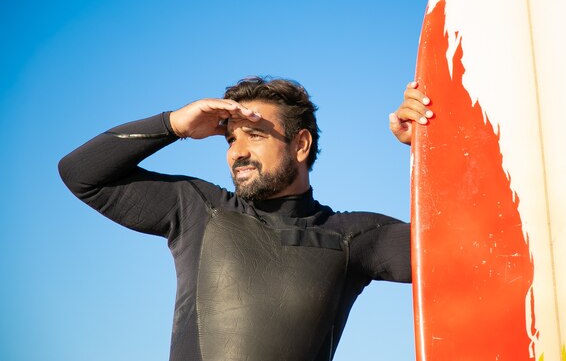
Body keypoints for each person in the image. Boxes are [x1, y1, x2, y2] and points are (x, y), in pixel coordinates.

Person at [58, 76, 433, 361]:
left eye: (254, 135)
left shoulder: (354, 236)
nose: (237, 153)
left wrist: (432, 146)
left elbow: (468, 248)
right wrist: (173, 124)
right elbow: (82, 174)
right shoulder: (198, 210)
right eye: (230, 140)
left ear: (300, 144)